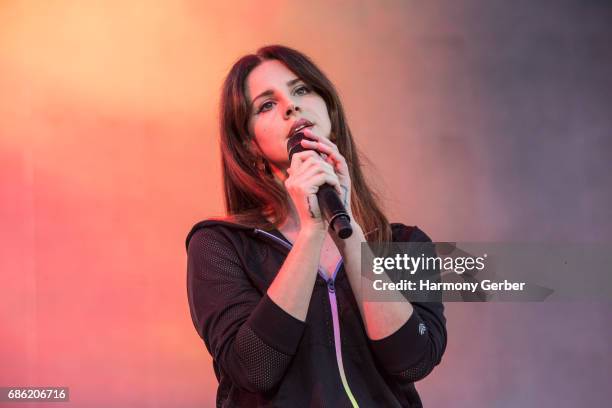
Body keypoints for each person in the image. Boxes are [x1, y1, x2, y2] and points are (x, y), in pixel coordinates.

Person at [185, 45, 447, 407]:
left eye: (301, 90)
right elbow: (254, 368)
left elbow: (413, 360)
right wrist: (311, 232)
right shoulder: (219, 245)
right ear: (250, 146)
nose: (291, 106)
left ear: (329, 110)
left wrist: (349, 232)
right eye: (266, 104)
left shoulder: (404, 244)